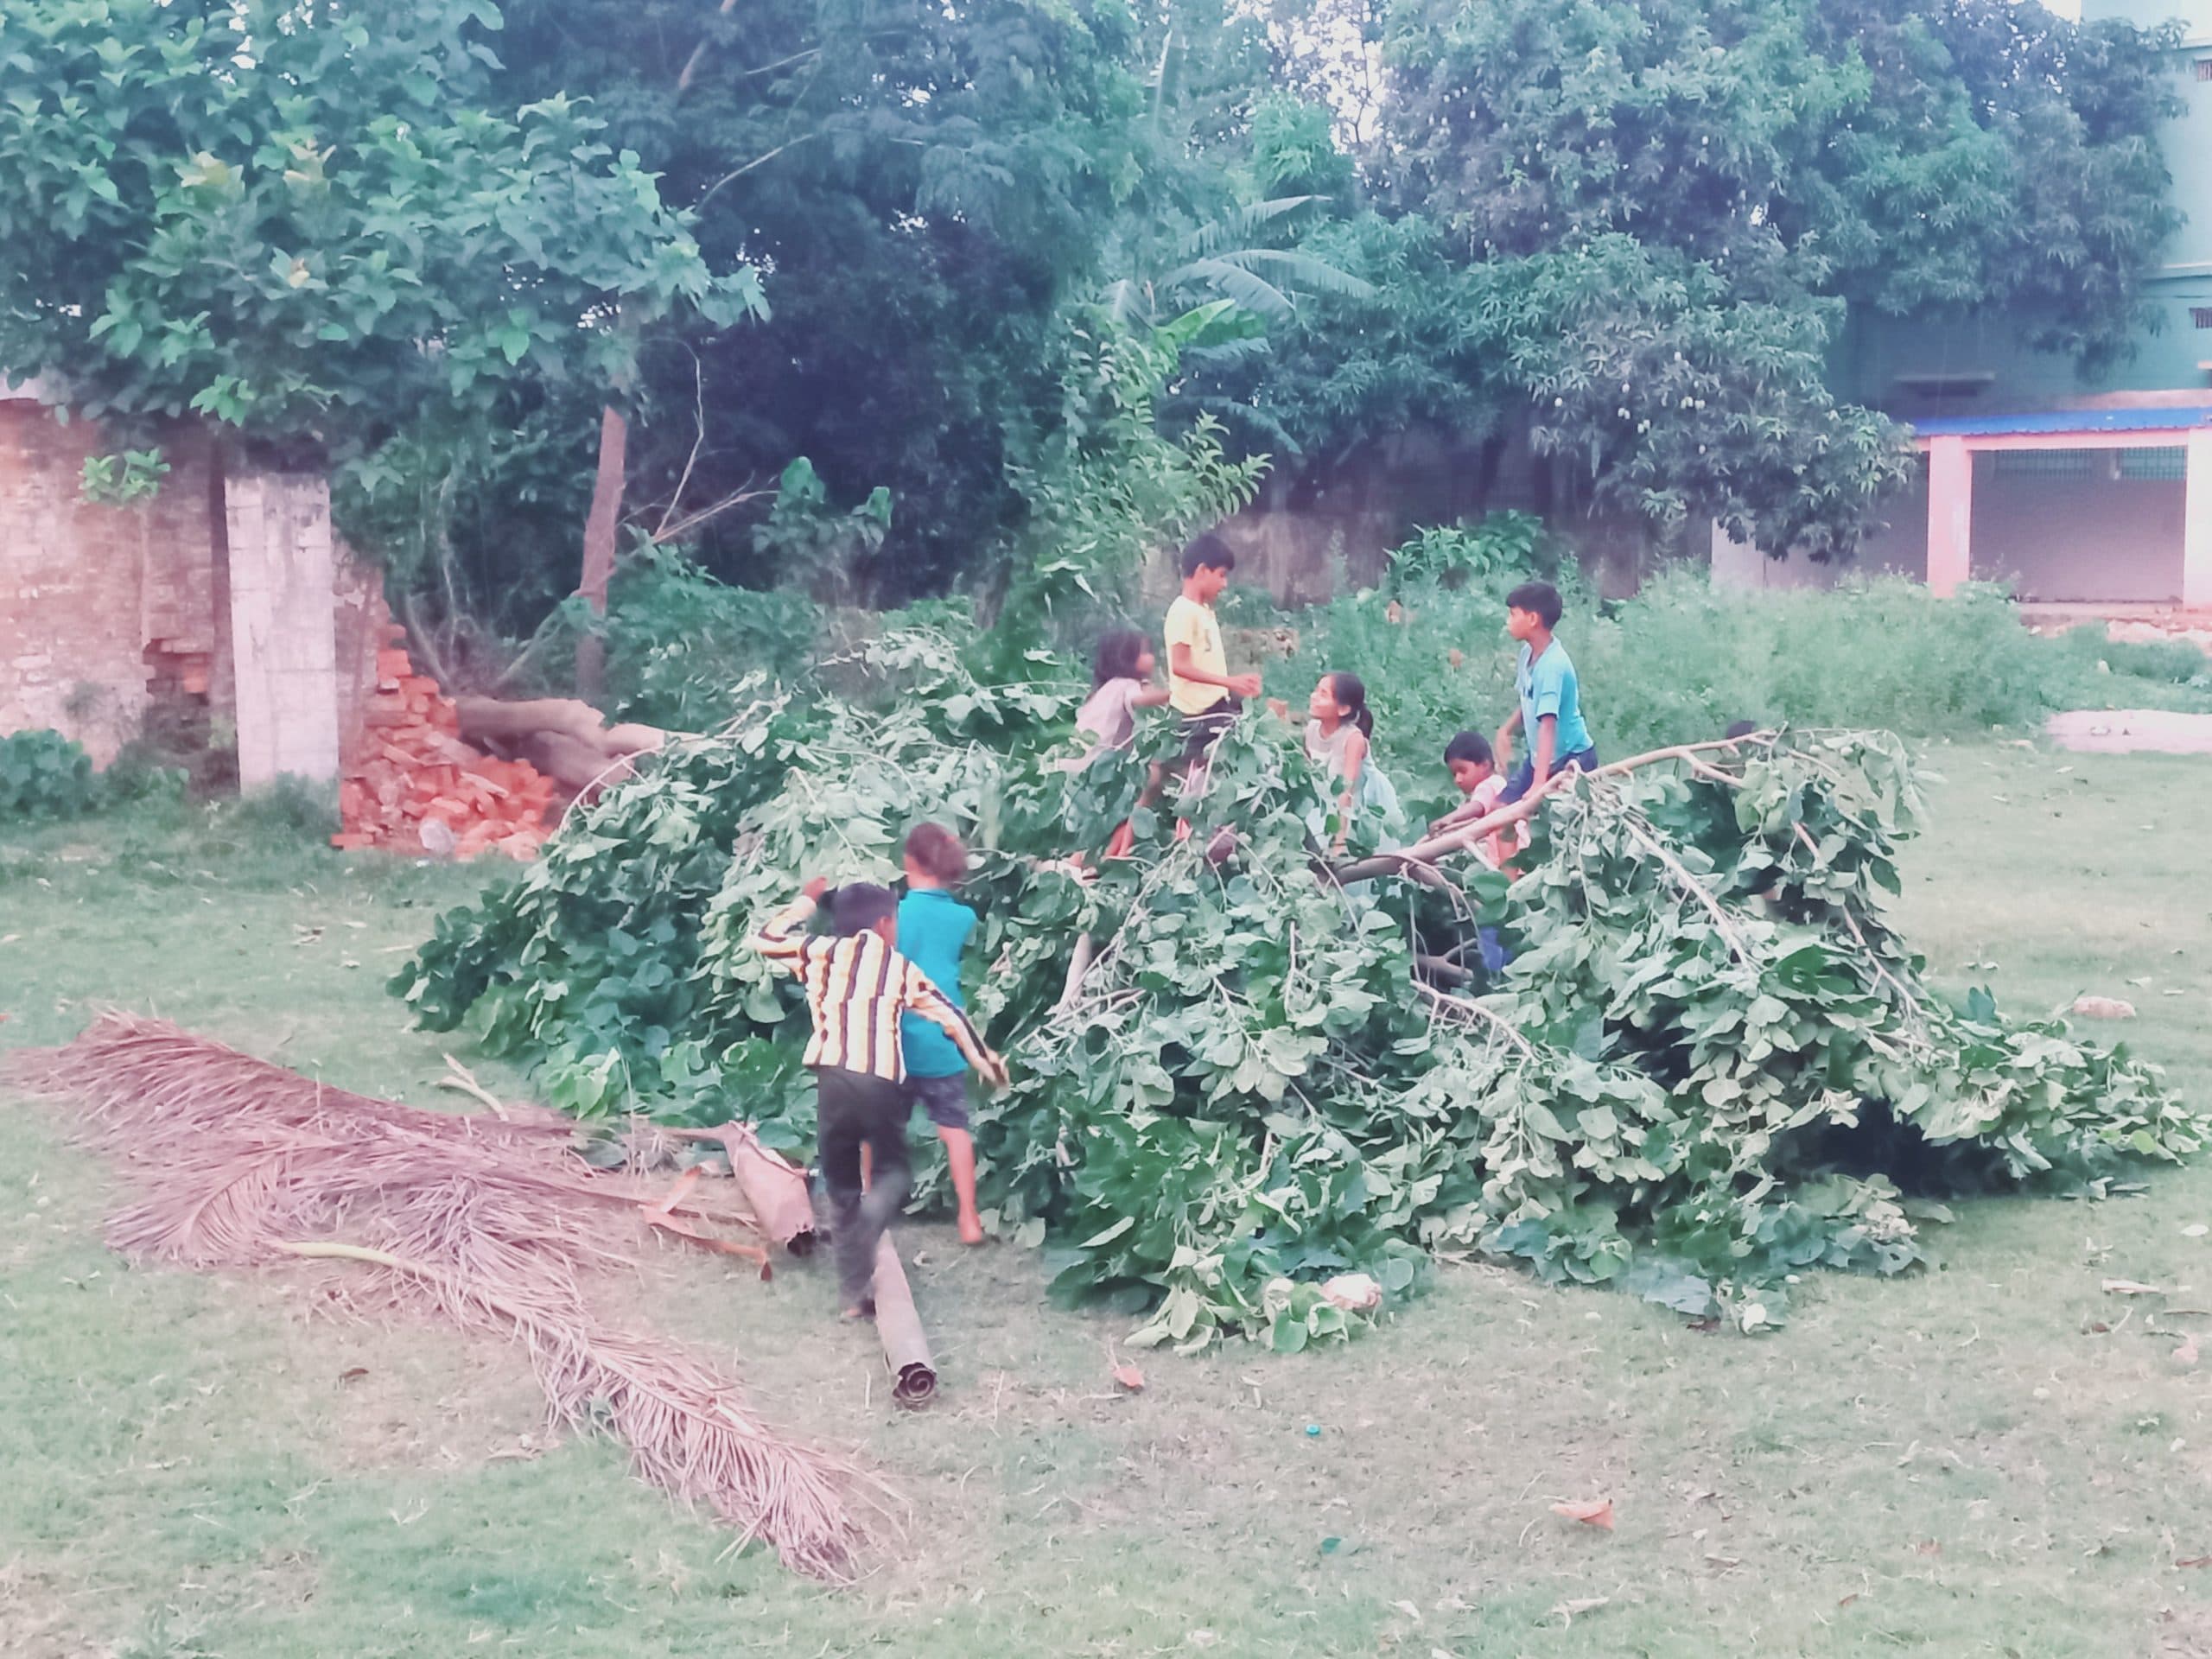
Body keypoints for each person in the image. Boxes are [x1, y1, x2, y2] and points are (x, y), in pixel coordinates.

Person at [754, 879, 1007, 1321]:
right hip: (880, 1084)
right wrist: (986, 1060)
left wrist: (805, 902)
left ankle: (854, 1296)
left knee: (842, 1186)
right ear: (886, 923)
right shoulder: (899, 968)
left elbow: (764, 939)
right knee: (893, 1172)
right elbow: (950, 1016)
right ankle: (870, 1224)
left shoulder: (818, 952)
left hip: (832, 1080)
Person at [894, 823, 988, 1245]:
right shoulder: (963, 917)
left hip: (894, 1038)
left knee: (876, 1126)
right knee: (954, 1129)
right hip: (945, 1034)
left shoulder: (892, 916)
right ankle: (969, 1219)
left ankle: (865, 1201)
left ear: (908, 863)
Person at [1061, 630, 1173, 859]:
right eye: (1145, 652)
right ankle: (1093, 860)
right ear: (1125, 657)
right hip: (1099, 768)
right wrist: (1173, 695)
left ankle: (1079, 859)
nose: (1152, 657)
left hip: (1075, 766)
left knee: (1086, 821)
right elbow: (1138, 702)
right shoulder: (1126, 685)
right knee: (1112, 813)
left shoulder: (1103, 689)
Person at [1165, 533, 1262, 769]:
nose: (1225, 584)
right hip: (1196, 715)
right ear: (1202, 571)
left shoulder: (1203, 611)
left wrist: (1234, 685)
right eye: (1221, 575)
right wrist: (1229, 682)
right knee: (1195, 777)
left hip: (1214, 706)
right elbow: (1180, 666)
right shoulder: (1183, 611)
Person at [1494, 580, 1596, 804]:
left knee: (1544, 816)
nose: (1508, 621)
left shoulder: (1553, 666)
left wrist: (1539, 784)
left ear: (1532, 619)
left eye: (1513, 614)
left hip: (1571, 757)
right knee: (1499, 808)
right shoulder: (1526, 654)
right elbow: (1529, 700)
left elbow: (1548, 725)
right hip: (1540, 758)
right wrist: (1506, 730)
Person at [1304, 671, 1402, 850]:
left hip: (1362, 800)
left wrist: (1339, 843)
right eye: (1316, 690)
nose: (1314, 697)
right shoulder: (1311, 730)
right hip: (1329, 797)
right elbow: (1310, 774)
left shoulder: (1352, 739)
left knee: (1360, 856)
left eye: (1323, 694)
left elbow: (1346, 792)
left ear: (1343, 709)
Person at [1428, 729, 1522, 871]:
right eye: (1454, 774)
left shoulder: (1491, 784)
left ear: (1485, 765)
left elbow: (1477, 807)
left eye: (1462, 771)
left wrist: (1449, 819)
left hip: (1509, 857)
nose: (1457, 779)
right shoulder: (1498, 784)